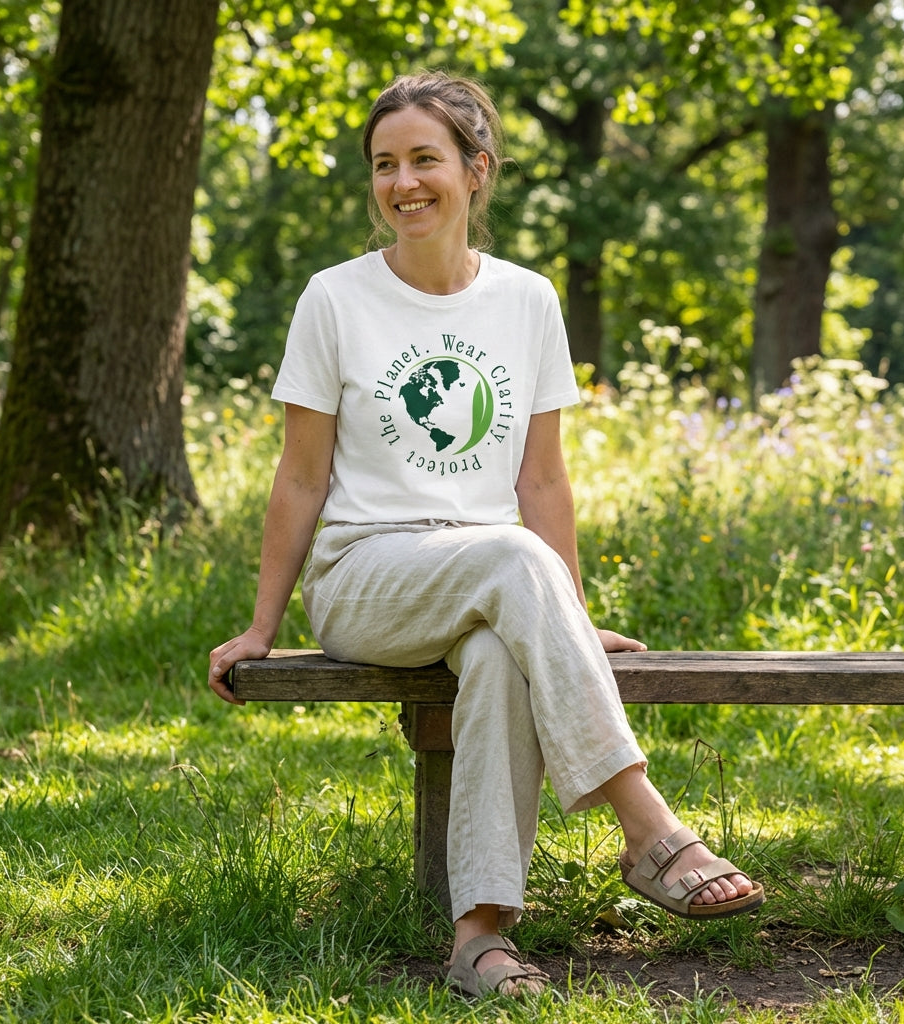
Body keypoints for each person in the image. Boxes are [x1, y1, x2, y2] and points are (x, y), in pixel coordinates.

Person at [208, 69, 764, 999]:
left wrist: (564, 621)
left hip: (496, 574)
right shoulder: (334, 299)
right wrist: (263, 627)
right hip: (366, 576)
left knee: (503, 655)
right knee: (511, 556)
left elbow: (541, 478)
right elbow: (301, 476)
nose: (403, 183)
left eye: (425, 159)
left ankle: (480, 939)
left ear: (478, 170)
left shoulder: (525, 300)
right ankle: (651, 830)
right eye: (385, 165)